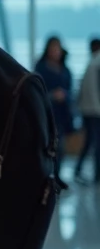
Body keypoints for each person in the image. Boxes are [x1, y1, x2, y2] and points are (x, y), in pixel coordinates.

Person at [36, 36, 75, 186]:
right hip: (46, 114)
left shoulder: (65, 70)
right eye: (53, 48)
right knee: (47, 147)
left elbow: (70, 91)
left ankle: (56, 176)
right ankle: (46, 177)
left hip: (62, 115)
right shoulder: (41, 68)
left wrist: (64, 95)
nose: (55, 52)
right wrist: (52, 95)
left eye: (57, 49)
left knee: (61, 148)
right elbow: (37, 91)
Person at [75, 38, 100, 184]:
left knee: (89, 141)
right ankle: (97, 175)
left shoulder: (91, 63)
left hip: (87, 109)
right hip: (96, 110)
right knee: (96, 143)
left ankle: (78, 170)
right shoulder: (97, 63)